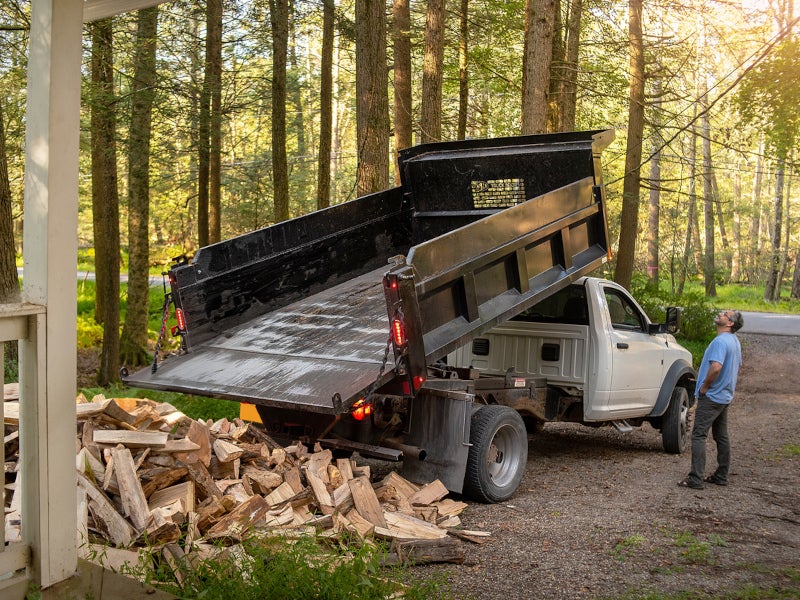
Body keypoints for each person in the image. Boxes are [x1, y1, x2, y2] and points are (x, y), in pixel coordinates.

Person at [679, 309, 743, 490]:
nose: (720, 314)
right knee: (721, 435)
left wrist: (705, 386)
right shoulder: (734, 341)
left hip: (713, 396)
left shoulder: (721, 341)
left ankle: (695, 479)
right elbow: (736, 367)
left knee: (699, 434)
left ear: (730, 323)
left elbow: (716, 367)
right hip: (724, 396)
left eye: (725, 314)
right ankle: (721, 475)